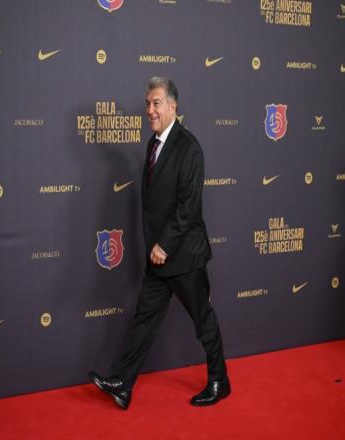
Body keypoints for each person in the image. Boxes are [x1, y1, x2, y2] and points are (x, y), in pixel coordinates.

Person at [88, 76, 230, 409]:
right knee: (144, 320)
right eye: (147, 104)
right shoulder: (153, 143)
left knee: (203, 320)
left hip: (184, 256)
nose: (150, 110)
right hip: (159, 257)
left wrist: (164, 245)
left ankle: (219, 381)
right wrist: (158, 248)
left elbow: (188, 206)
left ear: (173, 107)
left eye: (156, 103)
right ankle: (122, 383)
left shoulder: (189, 148)